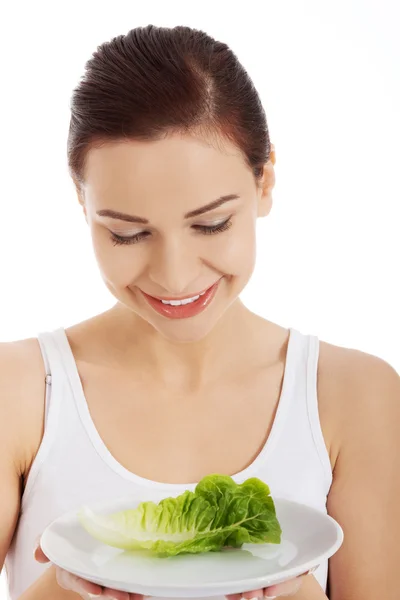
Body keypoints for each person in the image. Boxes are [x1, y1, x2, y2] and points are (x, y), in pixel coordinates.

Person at [1, 23, 399, 600]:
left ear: (264, 182)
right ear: (81, 202)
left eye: (211, 224)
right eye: (127, 234)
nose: (175, 276)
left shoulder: (354, 397)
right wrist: (67, 589)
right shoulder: (21, 393)